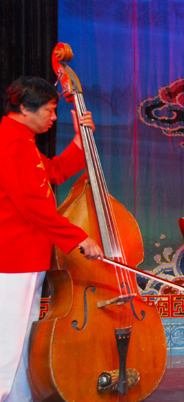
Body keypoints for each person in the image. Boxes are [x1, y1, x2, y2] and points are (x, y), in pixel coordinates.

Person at [0, 76, 103, 402]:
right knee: (9, 342)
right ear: (24, 108)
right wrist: (77, 237)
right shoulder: (12, 143)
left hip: (23, 255)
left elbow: (55, 172)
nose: (53, 117)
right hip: (15, 256)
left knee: (19, 340)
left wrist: (80, 140)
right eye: (49, 109)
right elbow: (33, 205)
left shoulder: (20, 139)